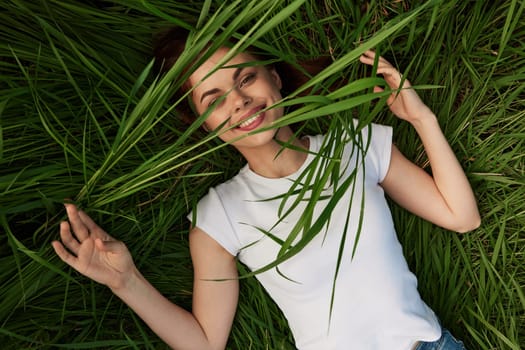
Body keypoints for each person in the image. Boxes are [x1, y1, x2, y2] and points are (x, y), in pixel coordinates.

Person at [51, 26, 480, 350]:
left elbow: (462, 217)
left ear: (274, 79)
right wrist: (126, 282)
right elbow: (205, 343)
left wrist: (423, 120)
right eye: (213, 100)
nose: (238, 101)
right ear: (203, 125)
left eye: (245, 79)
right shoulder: (220, 214)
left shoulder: (356, 143)